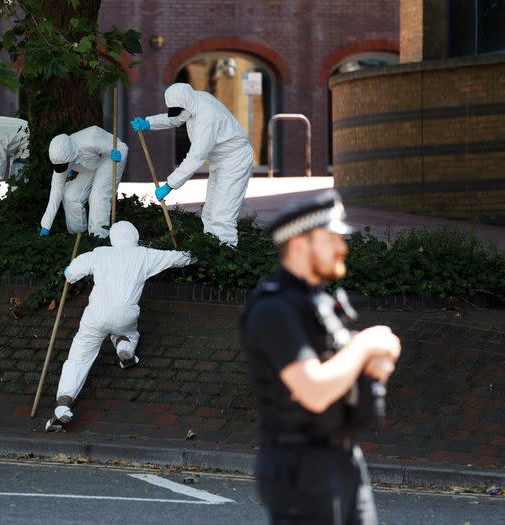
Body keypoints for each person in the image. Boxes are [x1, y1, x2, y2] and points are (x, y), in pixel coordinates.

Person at [241, 190, 401, 524]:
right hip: (301, 469)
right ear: (300, 245)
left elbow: (340, 373)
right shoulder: (274, 308)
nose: (343, 247)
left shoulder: (318, 303)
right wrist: (366, 346)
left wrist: (370, 368)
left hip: (341, 459)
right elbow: (312, 391)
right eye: (332, 239)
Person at [45, 221, 196, 432]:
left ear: (113, 238)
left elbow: (72, 274)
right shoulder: (144, 254)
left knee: (79, 356)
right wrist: (190, 255)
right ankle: (125, 346)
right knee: (128, 332)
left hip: (96, 315)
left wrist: (68, 271)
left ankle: (63, 403)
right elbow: (174, 258)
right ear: (134, 236)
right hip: (126, 314)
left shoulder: (100, 253)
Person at [130, 82, 254, 247]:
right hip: (220, 160)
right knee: (209, 213)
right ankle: (213, 248)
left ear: (186, 104)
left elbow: (196, 157)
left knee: (221, 216)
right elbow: (176, 118)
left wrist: (170, 185)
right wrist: (149, 123)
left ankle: (227, 257)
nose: (178, 113)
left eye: (179, 109)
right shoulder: (193, 101)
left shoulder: (206, 116)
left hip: (235, 160)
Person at [39, 126, 128, 238]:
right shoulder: (61, 158)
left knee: (98, 196)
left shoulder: (91, 139)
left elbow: (121, 148)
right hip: (88, 165)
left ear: (70, 155)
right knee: (70, 196)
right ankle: (78, 236)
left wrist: (120, 155)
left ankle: (99, 237)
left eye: (64, 165)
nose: (62, 168)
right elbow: (56, 191)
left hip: (110, 157)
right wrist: (45, 226)